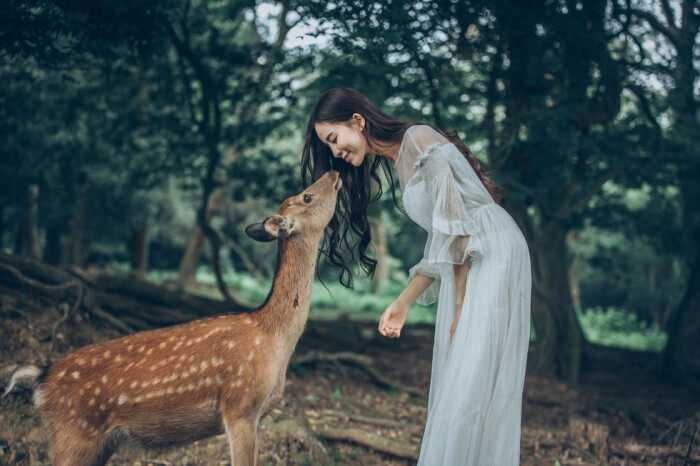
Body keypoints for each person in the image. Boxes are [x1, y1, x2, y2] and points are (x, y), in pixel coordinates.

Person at [301, 87, 531, 465]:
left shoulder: (417, 139)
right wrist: (402, 304)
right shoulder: (399, 161)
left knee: (470, 383)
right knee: (461, 382)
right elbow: (442, 239)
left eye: (334, 139)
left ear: (357, 121)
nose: (336, 151)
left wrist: (459, 306)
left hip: (492, 250)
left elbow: (458, 227)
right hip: (471, 255)